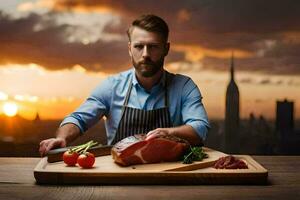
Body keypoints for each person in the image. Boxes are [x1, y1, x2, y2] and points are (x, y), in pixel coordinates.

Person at [39, 14, 210, 156]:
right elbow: (78, 119)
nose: (145, 54)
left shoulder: (184, 87)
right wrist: (62, 139)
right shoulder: (112, 86)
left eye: (153, 47)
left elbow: (199, 129)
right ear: (129, 48)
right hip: (119, 174)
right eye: (139, 46)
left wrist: (168, 133)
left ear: (166, 48)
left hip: (169, 174)